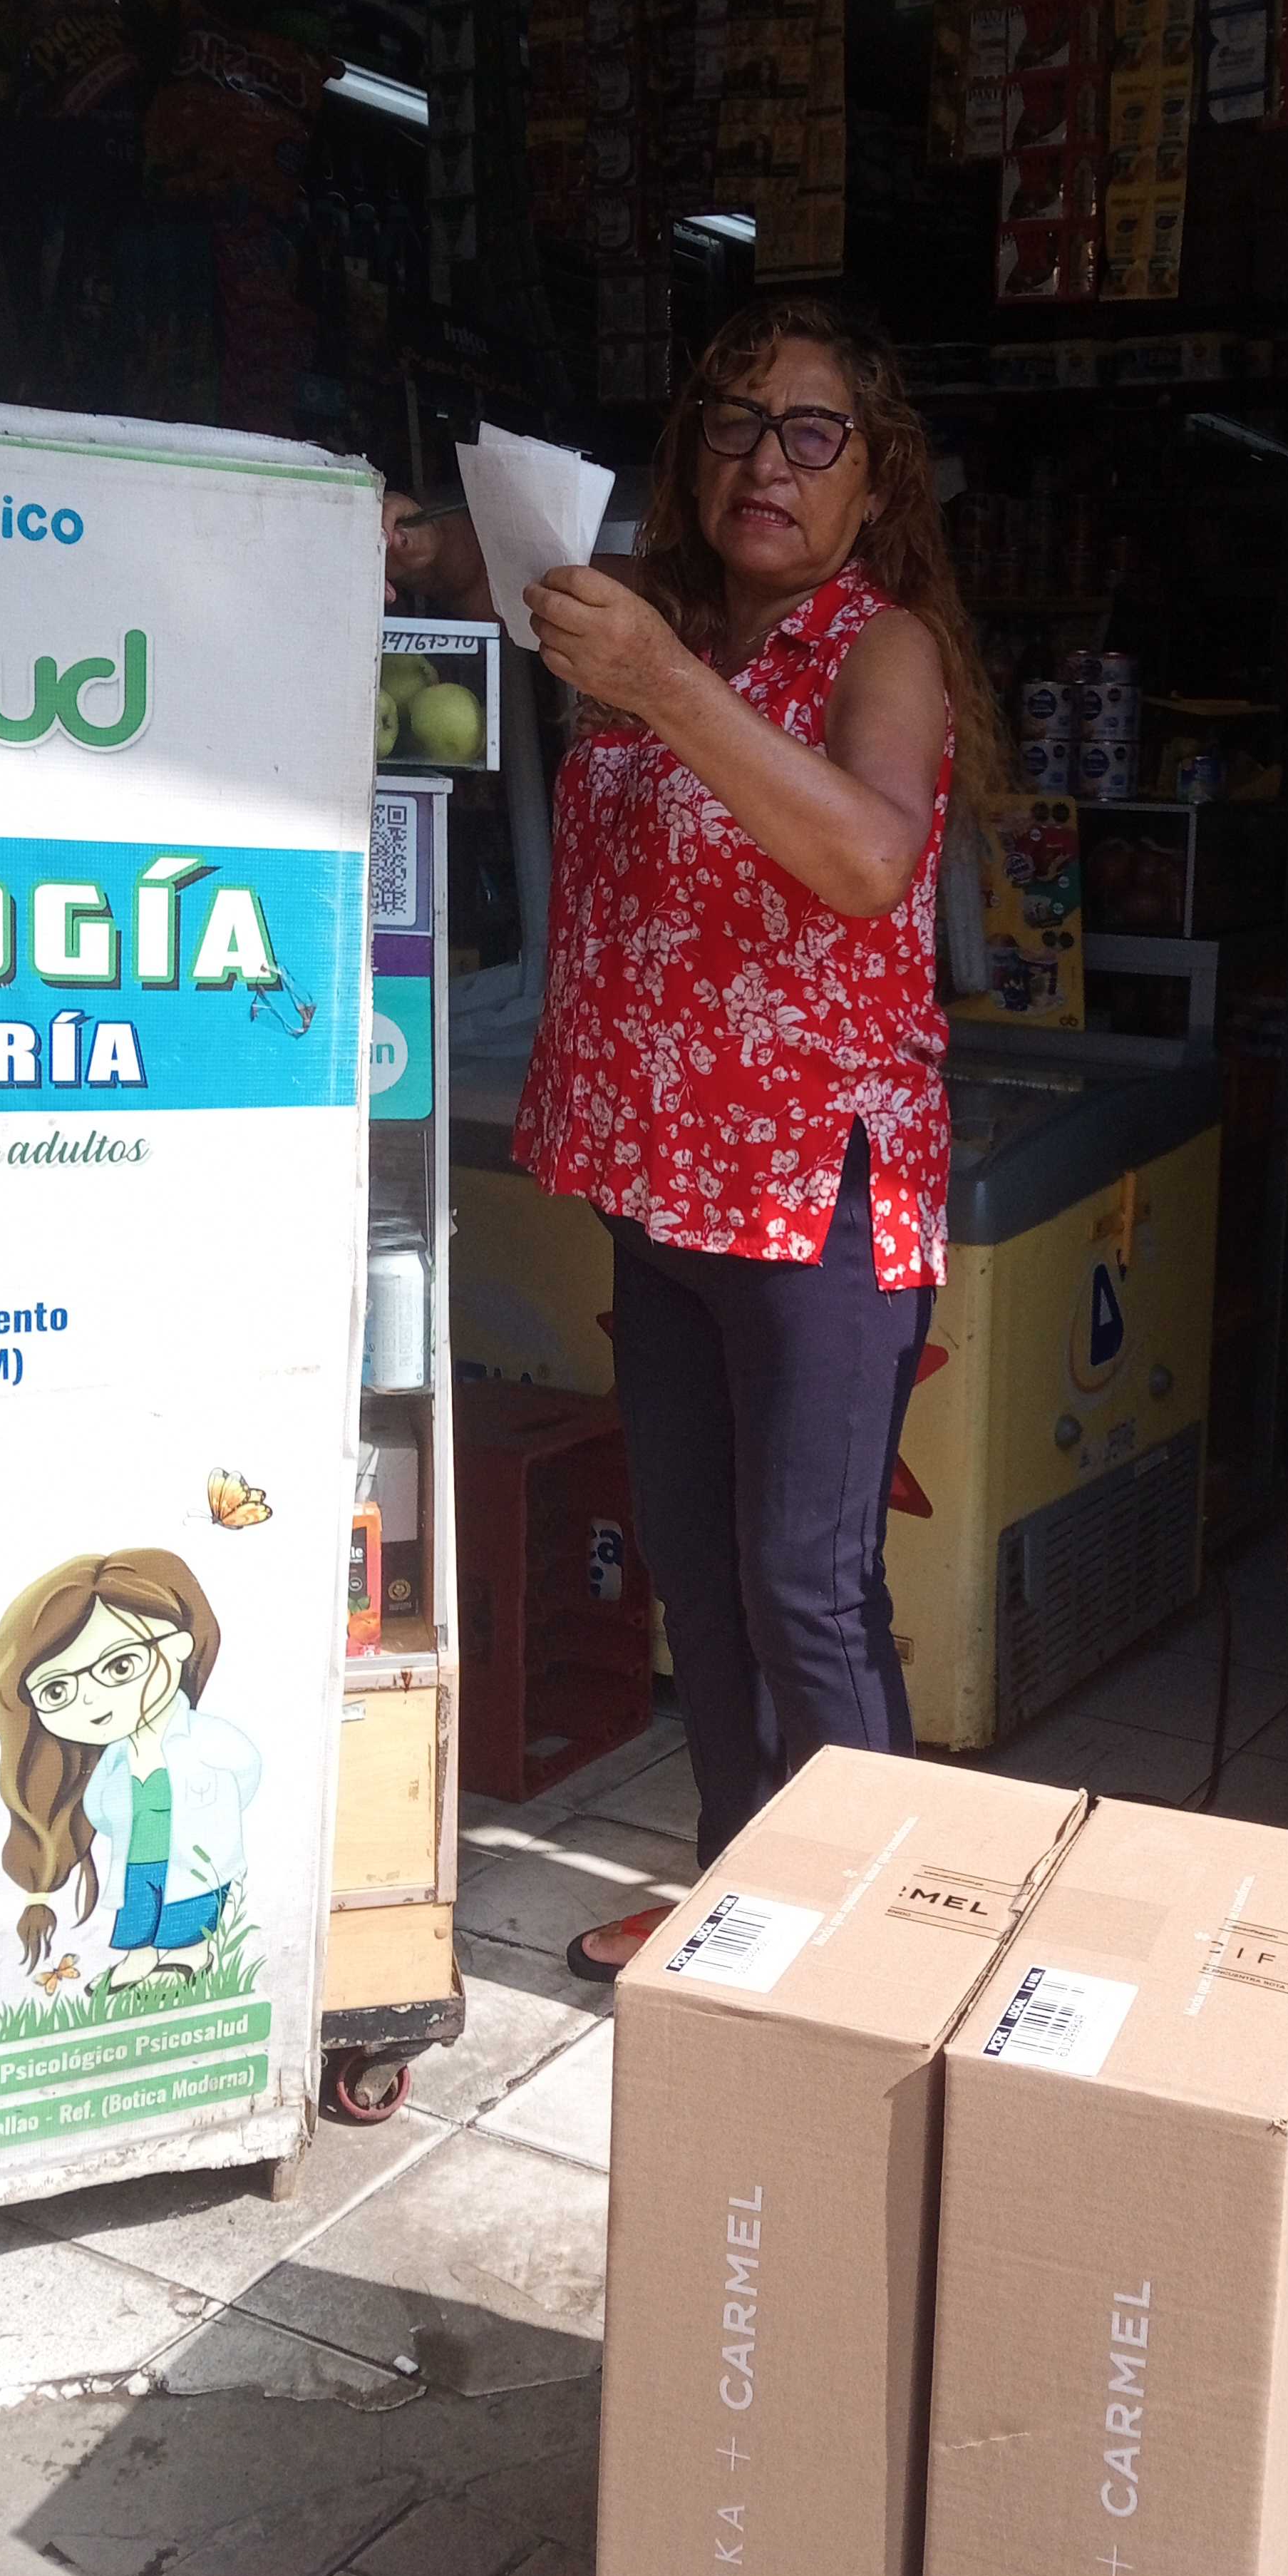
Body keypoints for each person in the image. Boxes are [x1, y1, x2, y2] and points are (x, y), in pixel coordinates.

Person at [391, 299, 1000, 1978]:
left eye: (812, 432)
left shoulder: (878, 648)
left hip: (813, 1194)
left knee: (805, 1582)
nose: (766, 462)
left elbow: (869, 858)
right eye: (734, 422)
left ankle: (866, 1952)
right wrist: (411, 540)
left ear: (874, 477)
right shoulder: (648, 616)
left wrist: (663, 688)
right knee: (698, 1567)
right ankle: (743, 1891)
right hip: (662, 1187)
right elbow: (490, 567)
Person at [0, 1549, 261, 1989]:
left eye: (119, 1666)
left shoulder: (205, 1738)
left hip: (196, 1857)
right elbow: (99, 1809)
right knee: (139, 1910)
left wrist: (211, 1815)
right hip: (137, 1857)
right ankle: (139, 1959)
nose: (90, 1699)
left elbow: (245, 1771)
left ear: (178, 1646)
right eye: (56, 1691)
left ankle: (189, 1955)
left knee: (187, 1909)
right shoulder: (113, 1760)